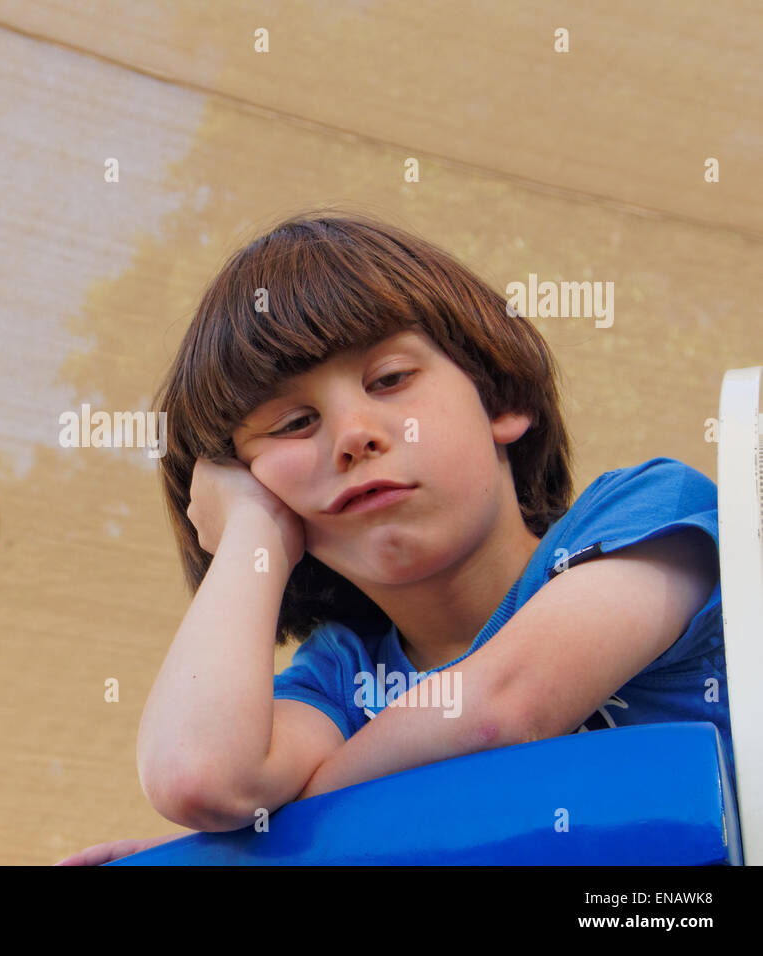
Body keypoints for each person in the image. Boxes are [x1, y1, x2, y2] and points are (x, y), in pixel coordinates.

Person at [54, 208, 729, 865]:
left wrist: (260, 848)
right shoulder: (339, 682)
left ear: (500, 400)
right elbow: (196, 776)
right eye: (292, 424)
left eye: (391, 379)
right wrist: (250, 538)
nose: (353, 436)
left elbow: (499, 708)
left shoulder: (648, 512)